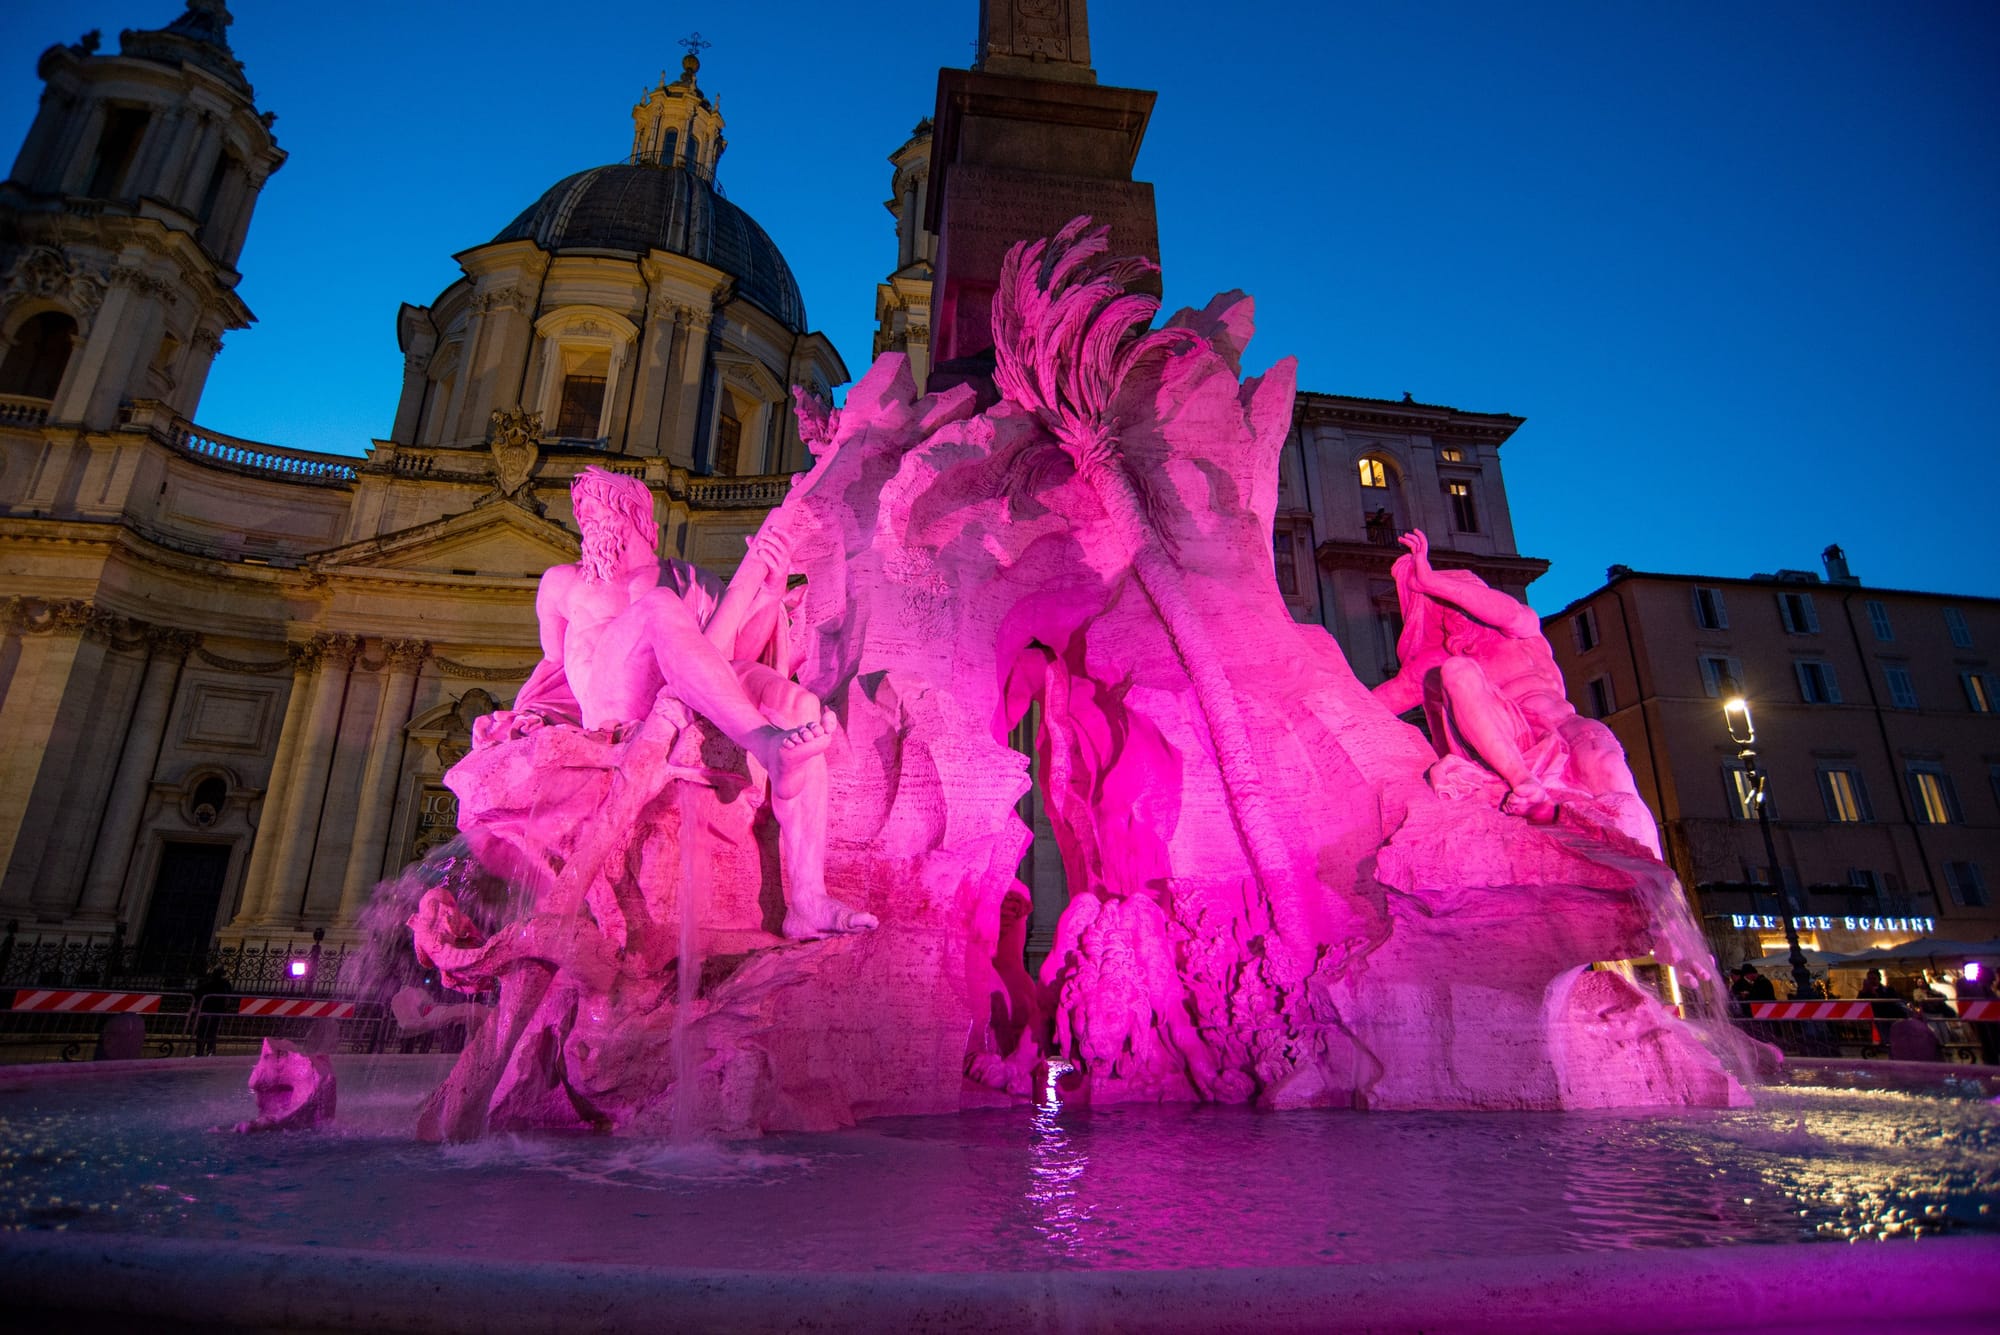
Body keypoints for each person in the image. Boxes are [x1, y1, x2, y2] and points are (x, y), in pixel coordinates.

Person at [482, 466, 874, 939]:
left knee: (798, 704)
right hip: (614, 704)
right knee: (659, 607)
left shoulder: (690, 579)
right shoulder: (564, 583)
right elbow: (552, 671)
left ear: (631, 511)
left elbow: (726, 657)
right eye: (581, 511)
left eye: (593, 507)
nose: (583, 519)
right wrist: (527, 718)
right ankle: (766, 743)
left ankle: (808, 898)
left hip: (684, 690)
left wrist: (768, 594)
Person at [1371, 530, 1659, 854]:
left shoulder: (1520, 627)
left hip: (1565, 725)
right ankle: (1524, 785)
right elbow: (1369, 706)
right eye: (1443, 609)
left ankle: (1651, 868)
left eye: (1457, 600)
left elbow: (1503, 611)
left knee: (1606, 764)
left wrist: (1431, 581)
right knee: (1456, 672)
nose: (1454, 612)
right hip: (1513, 739)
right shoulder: (1444, 660)